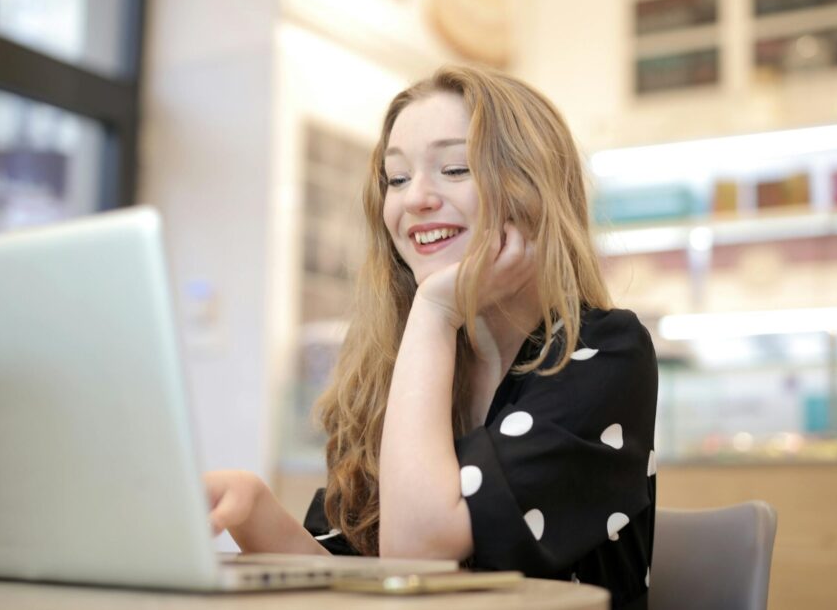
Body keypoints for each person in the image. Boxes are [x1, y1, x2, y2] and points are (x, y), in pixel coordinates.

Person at [204, 65, 658, 610]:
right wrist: (257, 514)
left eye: (454, 168)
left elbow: (416, 553)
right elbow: (365, 587)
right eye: (396, 178)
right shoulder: (392, 362)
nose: (415, 198)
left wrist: (436, 310)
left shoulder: (605, 352)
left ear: (532, 192)